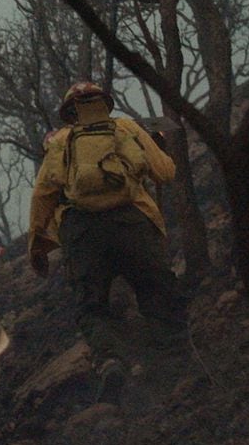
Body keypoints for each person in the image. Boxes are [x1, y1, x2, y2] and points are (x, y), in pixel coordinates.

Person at [26, 81, 188, 404]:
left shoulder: (61, 141)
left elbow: (42, 194)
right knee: (155, 288)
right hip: (131, 223)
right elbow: (165, 173)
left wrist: (36, 244)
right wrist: (159, 148)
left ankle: (111, 360)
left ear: (70, 111)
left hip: (83, 233)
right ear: (104, 103)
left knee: (92, 306)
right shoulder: (125, 128)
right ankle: (173, 361)